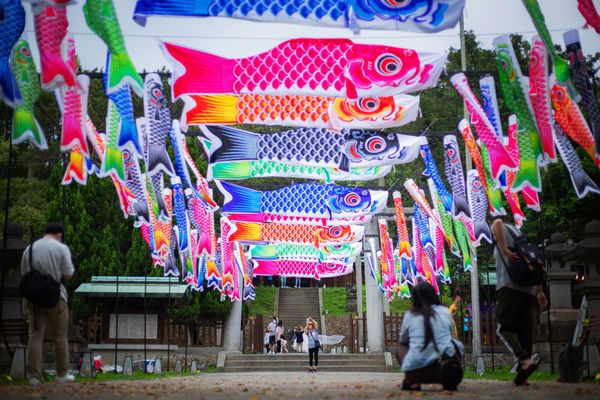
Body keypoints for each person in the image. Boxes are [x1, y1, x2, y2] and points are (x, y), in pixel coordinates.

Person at [491, 217, 547, 386]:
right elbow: (533, 261)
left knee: (504, 327)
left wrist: (505, 251)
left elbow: (497, 223)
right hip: (528, 289)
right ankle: (523, 375)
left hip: (510, 286)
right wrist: (540, 291)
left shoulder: (502, 229)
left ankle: (524, 360)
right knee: (525, 331)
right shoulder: (520, 235)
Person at [21, 222, 75, 385]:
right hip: (55, 296)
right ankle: (61, 373)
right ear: (59, 234)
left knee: (35, 335)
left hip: (35, 298)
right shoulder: (61, 248)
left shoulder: (29, 249)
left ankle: (34, 376)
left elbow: (24, 273)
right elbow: (68, 273)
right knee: (60, 336)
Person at [396, 282, 464, 391]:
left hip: (417, 371)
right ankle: (449, 378)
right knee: (453, 342)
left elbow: (404, 341)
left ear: (414, 299)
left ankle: (413, 380)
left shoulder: (410, 315)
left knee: (402, 345)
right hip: (444, 369)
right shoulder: (445, 312)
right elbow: (451, 338)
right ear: (434, 295)